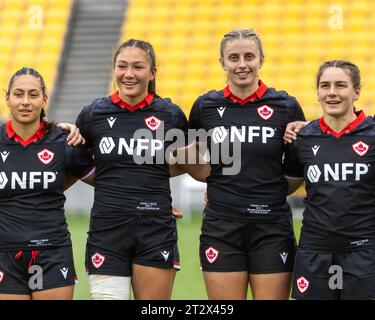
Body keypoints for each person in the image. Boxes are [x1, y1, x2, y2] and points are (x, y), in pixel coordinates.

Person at [186, 29, 306, 300]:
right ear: (222, 63)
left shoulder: (285, 106)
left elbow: (296, 166)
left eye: (249, 56)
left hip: (272, 227)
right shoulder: (205, 107)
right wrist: (215, 181)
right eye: (234, 57)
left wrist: (271, 190)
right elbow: (190, 158)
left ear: (261, 59)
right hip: (222, 227)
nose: (242, 64)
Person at [75, 39, 189, 300]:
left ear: (152, 73)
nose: (129, 74)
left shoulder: (170, 115)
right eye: (122, 66)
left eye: (138, 67)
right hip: (107, 229)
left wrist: (152, 192)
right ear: (113, 69)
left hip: (155, 230)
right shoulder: (93, 115)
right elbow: (78, 162)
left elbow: (191, 162)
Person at [0, 67, 95, 300]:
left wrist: (156, 197)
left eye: (33, 95)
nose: (25, 102)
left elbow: (105, 181)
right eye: (18, 94)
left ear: (44, 99)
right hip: (5, 254)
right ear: (7, 98)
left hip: (52, 252)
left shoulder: (65, 141)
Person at [284, 60, 375, 299]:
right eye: (325, 86)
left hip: (364, 253)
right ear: (317, 92)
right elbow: (284, 185)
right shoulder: (302, 137)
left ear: (356, 92)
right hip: (315, 252)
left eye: (340, 85)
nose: (332, 92)